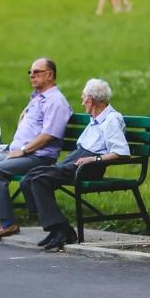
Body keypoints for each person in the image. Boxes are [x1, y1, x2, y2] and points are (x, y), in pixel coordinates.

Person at [0, 58, 72, 241]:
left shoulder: (56, 101)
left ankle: (7, 223)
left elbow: (49, 135)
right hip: (22, 153)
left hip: (38, 157)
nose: (32, 76)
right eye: (30, 72)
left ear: (50, 75)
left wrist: (23, 150)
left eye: (37, 72)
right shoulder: (37, 99)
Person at [23, 78, 130, 250]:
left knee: (39, 179)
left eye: (83, 98)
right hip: (78, 159)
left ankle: (60, 230)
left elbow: (121, 152)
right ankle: (58, 228)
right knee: (29, 178)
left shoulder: (111, 119)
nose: (82, 102)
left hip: (89, 166)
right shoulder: (95, 119)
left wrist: (93, 159)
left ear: (91, 100)